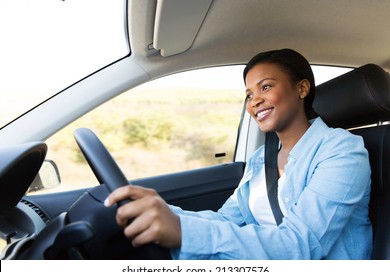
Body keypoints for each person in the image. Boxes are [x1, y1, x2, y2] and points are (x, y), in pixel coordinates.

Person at [104, 49, 372, 259]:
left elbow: (301, 247)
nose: (254, 101)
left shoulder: (342, 151)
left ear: (302, 89)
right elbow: (227, 220)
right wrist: (163, 212)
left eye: (266, 87)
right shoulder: (259, 160)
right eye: (249, 94)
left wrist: (184, 232)